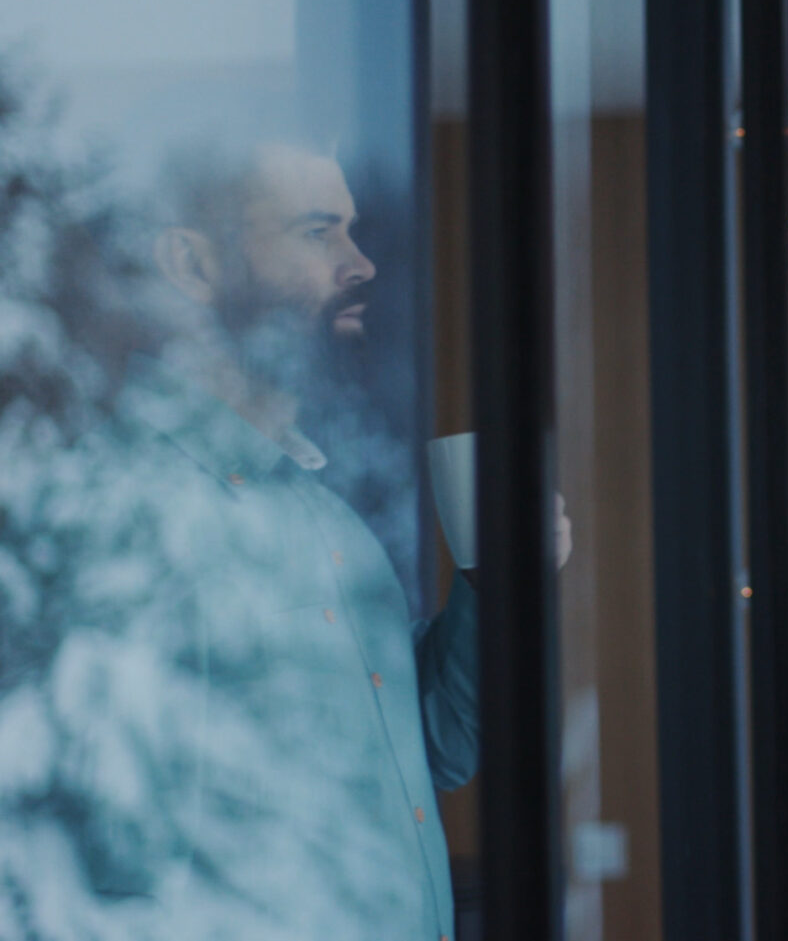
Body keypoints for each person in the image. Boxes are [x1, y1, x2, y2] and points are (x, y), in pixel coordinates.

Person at [0, 135, 564, 940]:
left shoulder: (321, 516)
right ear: (193, 268)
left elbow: (430, 750)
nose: (361, 262)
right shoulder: (131, 512)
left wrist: (494, 578)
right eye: (315, 232)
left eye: (352, 228)